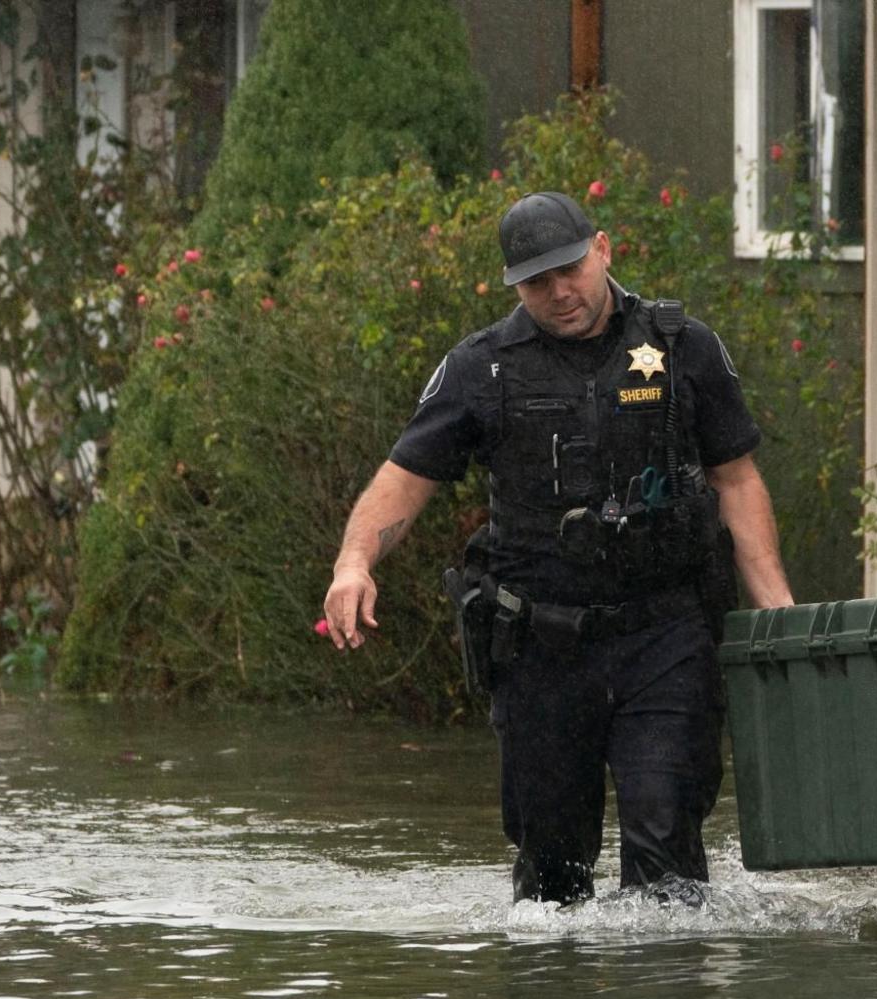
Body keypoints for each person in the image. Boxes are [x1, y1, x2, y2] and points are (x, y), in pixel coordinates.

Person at [321, 190, 795, 906]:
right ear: (514, 285)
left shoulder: (680, 347)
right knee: (552, 878)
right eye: (537, 282)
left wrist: (778, 612)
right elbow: (404, 478)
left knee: (665, 852)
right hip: (541, 648)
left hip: (664, 637)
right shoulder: (482, 368)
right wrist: (354, 563)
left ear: (603, 248)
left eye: (571, 269)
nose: (560, 292)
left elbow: (736, 478)